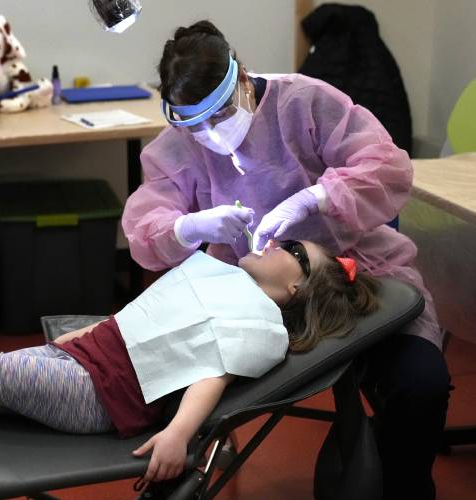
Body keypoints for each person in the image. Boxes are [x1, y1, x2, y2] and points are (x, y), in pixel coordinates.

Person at [122, 20, 450, 498]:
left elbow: (388, 169)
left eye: (218, 117)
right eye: (195, 127)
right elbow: (146, 227)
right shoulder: (183, 145)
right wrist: (188, 227)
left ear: (243, 78)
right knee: (172, 392)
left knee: (420, 384)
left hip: (357, 279)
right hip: (250, 300)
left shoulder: (306, 103)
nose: (210, 136)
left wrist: (315, 198)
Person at [0, 239, 377, 485]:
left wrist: (179, 436)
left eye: (295, 250)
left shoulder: (264, 326)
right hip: (90, 359)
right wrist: (102, 327)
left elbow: (211, 370)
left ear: (298, 289)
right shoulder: (228, 281)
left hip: (99, 395)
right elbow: (161, 318)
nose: (278, 241)